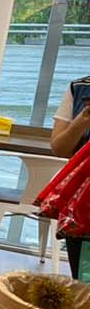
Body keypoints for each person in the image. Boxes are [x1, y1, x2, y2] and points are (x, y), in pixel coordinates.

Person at [51, 74, 90, 279]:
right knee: (83, 279)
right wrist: (82, 120)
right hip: (82, 204)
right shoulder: (79, 88)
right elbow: (59, 148)